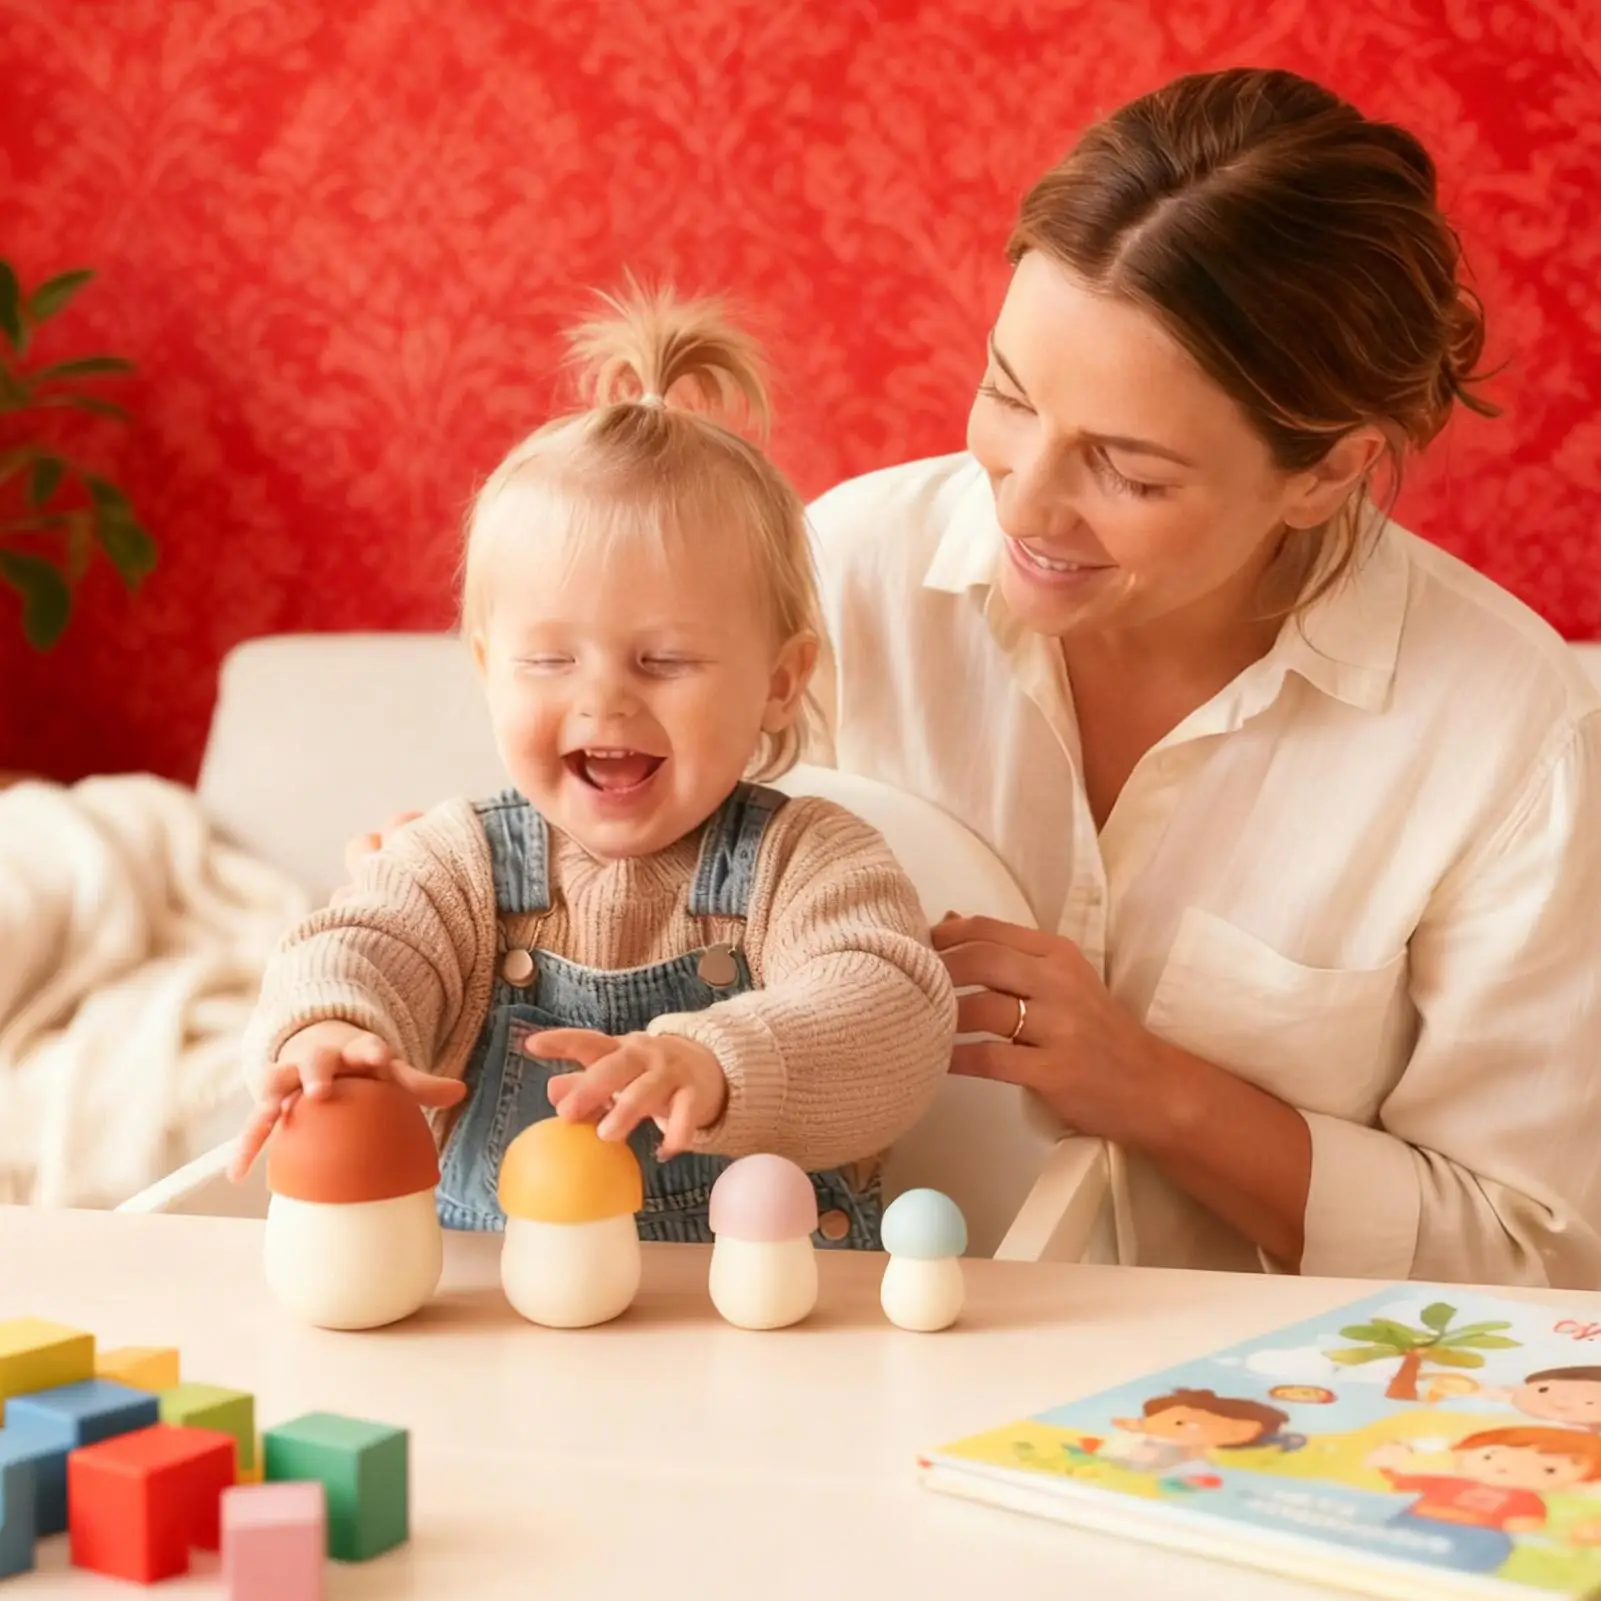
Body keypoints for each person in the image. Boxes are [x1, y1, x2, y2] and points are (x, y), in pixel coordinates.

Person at [350, 67, 1601, 1286]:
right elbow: (634, 836)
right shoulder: (838, 574)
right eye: (1007, 396)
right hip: (830, 1342)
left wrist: (1158, 1091)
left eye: (1128, 469)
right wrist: (476, 894)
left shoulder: (1500, 732)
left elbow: (1531, 1255)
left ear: (1326, 471)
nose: (1028, 500)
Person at [229, 286, 956, 1248]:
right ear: (489, 669)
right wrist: (333, 1037)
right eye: (550, 659)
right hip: (504, 1324)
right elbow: (357, 944)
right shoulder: (457, 863)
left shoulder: (810, 861)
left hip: (771, 1324)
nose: (604, 699)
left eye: (662, 660)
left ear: (780, 682)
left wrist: (715, 1060)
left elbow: (889, 1013)